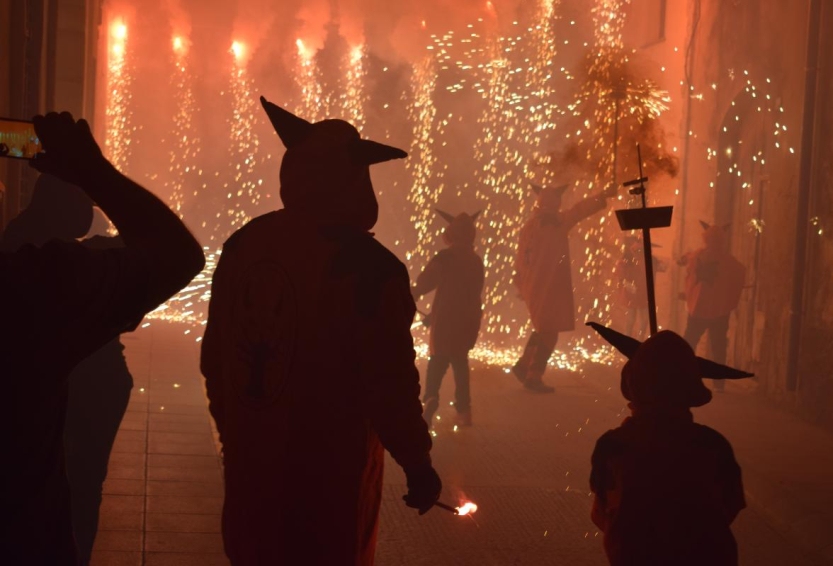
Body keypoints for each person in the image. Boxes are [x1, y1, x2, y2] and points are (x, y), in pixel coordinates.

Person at [201, 97, 441, 565]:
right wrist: (417, 463)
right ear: (353, 179)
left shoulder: (244, 245)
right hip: (328, 484)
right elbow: (388, 382)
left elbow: (216, 357)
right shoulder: (369, 269)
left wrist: (234, 432)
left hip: (253, 474)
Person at [0, 112, 204, 564]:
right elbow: (177, 255)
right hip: (26, 542)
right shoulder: (30, 286)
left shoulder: (25, 259)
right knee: (84, 489)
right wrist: (92, 171)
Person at [0, 180, 134, 566]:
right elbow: (164, 248)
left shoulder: (40, 246)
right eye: (85, 200)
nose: (91, 211)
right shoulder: (55, 259)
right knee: (76, 492)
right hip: (80, 393)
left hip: (85, 390)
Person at [589, 330, 746, 566]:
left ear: (632, 386)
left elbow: (601, 513)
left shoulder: (615, 446)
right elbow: (729, 506)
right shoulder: (713, 445)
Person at [512, 182, 617, 392]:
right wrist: (603, 194)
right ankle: (533, 374)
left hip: (533, 286)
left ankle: (524, 365)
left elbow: (520, 260)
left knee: (543, 328)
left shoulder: (529, 227)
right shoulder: (558, 222)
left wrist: (521, 285)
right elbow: (580, 210)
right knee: (549, 331)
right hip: (550, 286)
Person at [414, 209, 484, 428]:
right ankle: (464, 411)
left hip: (445, 318)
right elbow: (471, 292)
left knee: (437, 361)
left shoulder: (444, 258)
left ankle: (430, 398)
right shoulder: (475, 260)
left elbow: (426, 282)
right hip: (468, 319)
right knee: (460, 363)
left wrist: (413, 293)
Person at [679, 222, 746, 391]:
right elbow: (740, 272)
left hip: (699, 308)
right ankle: (719, 383)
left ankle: (682, 375)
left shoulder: (697, 256)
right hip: (719, 310)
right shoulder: (727, 260)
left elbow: (688, 264)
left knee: (689, 343)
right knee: (718, 346)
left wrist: (689, 293)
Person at [615, 236, 666, 339]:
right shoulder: (628, 258)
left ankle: (639, 340)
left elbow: (663, 267)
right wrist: (626, 283)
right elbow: (620, 272)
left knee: (643, 320)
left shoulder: (651, 259)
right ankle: (628, 341)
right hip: (633, 293)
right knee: (631, 319)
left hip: (644, 293)